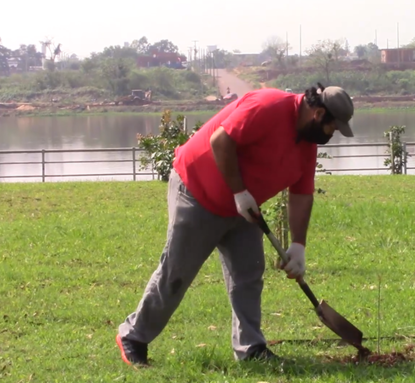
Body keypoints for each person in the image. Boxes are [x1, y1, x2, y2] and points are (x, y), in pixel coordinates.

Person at [116, 83, 355, 366]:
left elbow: (301, 193)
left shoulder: (306, 143)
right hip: (198, 191)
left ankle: (251, 349)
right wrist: (240, 192)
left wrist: (298, 245)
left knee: (248, 274)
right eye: (333, 127)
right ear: (318, 113)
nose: (333, 133)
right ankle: (133, 336)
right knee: (176, 273)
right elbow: (220, 141)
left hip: (243, 209)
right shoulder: (268, 106)